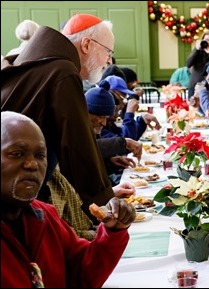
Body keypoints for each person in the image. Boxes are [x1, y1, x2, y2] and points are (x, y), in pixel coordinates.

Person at [1, 13, 125, 222]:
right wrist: (105, 206)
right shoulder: (63, 71)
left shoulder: (43, 58)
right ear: (86, 44)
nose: (108, 60)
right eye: (108, 51)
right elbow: (77, 146)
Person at [1, 111, 136, 288]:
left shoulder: (45, 216)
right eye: (17, 153)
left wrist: (113, 233)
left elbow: (80, 273)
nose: (32, 164)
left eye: (40, 155)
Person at [101, 75, 161, 141]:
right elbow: (125, 143)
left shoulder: (109, 122)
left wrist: (142, 121)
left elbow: (128, 137)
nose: (123, 103)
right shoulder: (100, 125)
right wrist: (129, 113)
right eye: (122, 98)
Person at [186, 29, 209, 99]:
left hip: (208, 87)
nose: (208, 42)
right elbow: (188, 64)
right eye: (206, 40)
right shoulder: (197, 52)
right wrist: (196, 49)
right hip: (194, 85)